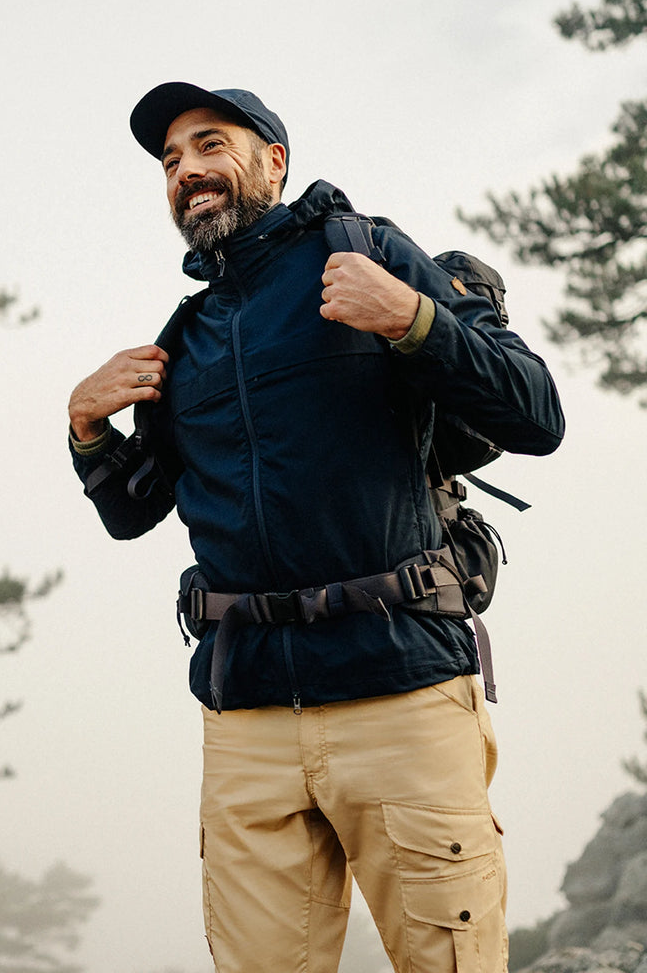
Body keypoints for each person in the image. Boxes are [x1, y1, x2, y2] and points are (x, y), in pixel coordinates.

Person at [67, 82, 565, 973]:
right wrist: (85, 429)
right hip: (247, 717)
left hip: (400, 695)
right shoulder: (185, 341)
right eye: (171, 161)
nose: (186, 171)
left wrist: (412, 319)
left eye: (210, 145)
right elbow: (132, 512)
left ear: (274, 161)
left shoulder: (368, 252)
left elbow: (537, 414)